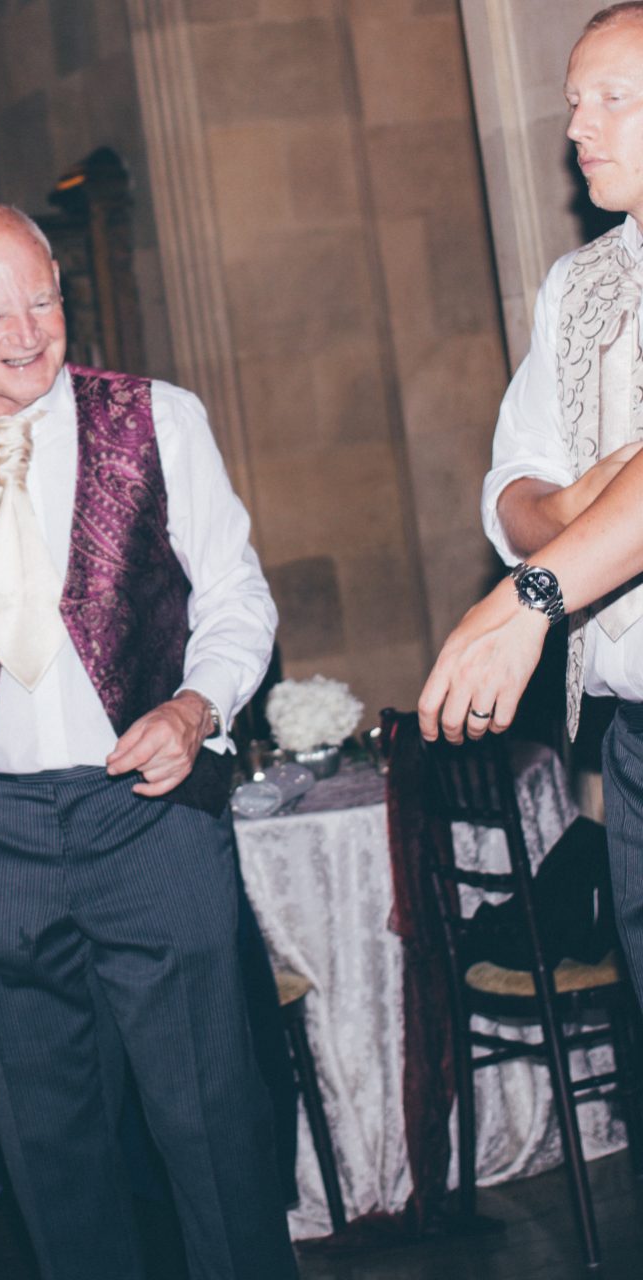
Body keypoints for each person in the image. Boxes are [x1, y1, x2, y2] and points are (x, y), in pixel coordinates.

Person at [0, 204, 294, 1279]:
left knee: (212, 1131)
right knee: (50, 1156)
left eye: (43, 298)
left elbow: (236, 597)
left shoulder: (157, 418)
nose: (28, 330)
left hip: (150, 821)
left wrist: (197, 706)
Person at [421, 3, 643, 1013]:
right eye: (570, 103)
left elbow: (532, 548)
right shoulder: (578, 285)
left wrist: (534, 596)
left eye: (611, 100)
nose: (575, 128)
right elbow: (507, 495)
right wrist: (593, 498)